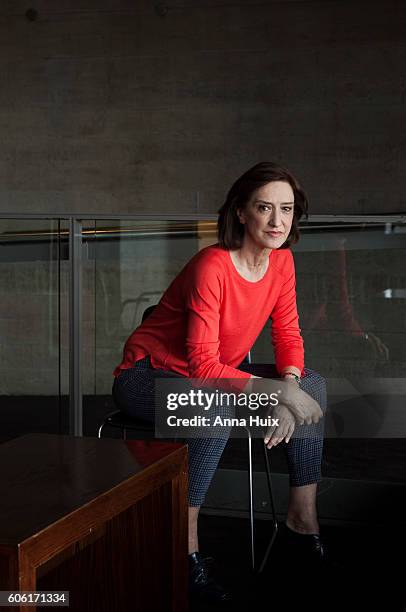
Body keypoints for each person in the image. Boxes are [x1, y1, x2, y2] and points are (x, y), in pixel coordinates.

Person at [112, 161, 327, 603]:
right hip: (146, 376)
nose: (277, 220)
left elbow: (288, 335)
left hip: (208, 378)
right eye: (264, 208)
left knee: (314, 383)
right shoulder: (212, 265)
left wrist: (290, 387)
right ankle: (183, 552)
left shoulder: (281, 263)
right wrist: (282, 393)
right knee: (213, 408)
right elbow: (203, 365)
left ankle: (300, 527)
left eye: (286, 209)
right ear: (241, 212)